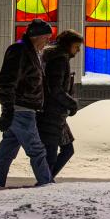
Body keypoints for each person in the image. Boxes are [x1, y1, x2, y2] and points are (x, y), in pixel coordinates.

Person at [0, 19, 54, 188]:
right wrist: (7, 110)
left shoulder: (31, 52)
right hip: (21, 110)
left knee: (6, 152)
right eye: (46, 37)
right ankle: (46, 183)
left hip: (21, 109)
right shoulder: (19, 51)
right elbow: (7, 82)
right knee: (36, 149)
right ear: (36, 36)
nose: (47, 42)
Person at [38, 30, 83, 179]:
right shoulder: (59, 60)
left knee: (66, 150)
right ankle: (45, 182)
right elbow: (55, 89)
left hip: (56, 114)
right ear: (68, 45)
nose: (77, 51)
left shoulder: (54, 57)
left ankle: (47, 179)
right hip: (52, 114)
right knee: (51, 153)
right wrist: (72, 104)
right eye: (76, 47)